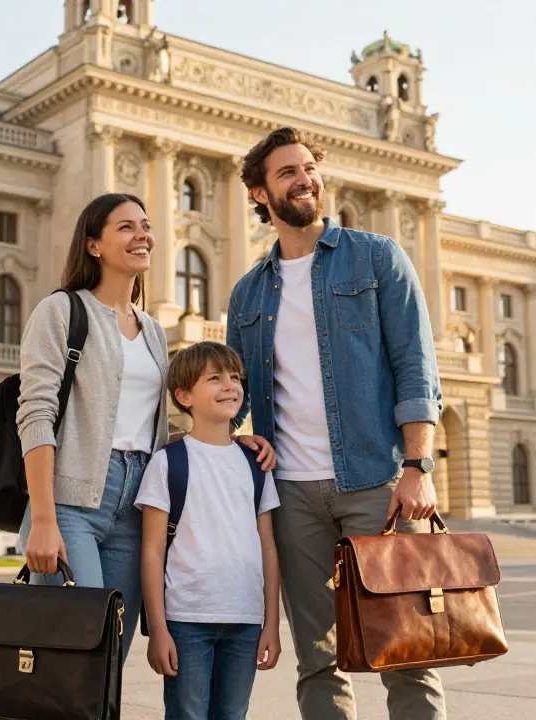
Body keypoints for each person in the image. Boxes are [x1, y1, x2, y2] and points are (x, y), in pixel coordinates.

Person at [226, 127, 447, 720]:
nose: (304, 180)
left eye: (308, 168)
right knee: (317, 660)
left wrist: (418, 466)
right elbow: (235, 393)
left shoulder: (376, 257)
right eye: (287, 173)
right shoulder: (247, 294)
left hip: (376, 481)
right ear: (259, 194)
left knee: (407, 649)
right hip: (293, 494)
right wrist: (235, 431)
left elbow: (415, 365)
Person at [16, 193, 273, 660]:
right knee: (73, 649)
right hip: (72, 502)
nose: (143, 236)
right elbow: (36, 416)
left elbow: (145, 429)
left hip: (137, 504)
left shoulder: (153, 330)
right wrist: (43, 519)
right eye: (126, 227)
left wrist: (230, 441)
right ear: (93, 245)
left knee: (109, 653)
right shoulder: (60, 312)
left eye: (146, 226)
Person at [136, 341, 282, 720]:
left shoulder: (256, 464)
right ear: (184, 396)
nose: (230, 386)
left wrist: (272, 624)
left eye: (235, 377)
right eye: (214, 379)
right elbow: (152, 551)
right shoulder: (167, 463)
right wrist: (158, 630)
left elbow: (268, 547)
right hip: (186, 622)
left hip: (246, 622)